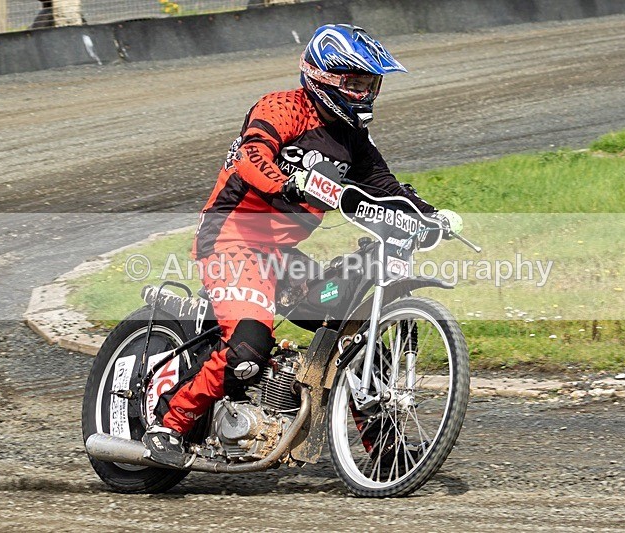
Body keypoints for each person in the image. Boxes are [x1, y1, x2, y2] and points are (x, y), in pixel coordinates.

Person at [143, 23, 462, 467]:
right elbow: (252, 156)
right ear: (323, 78)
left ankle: (384, 450)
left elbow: (385, 186)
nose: (365, 93)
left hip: (280, 259)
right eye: (355, 82)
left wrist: (428, 215)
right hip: (231, 240)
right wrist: (287, 184)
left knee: (351, 333)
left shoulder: (354, 139)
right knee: (250, 345)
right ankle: (168, 425)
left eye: (371, 83)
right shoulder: (282, 107)